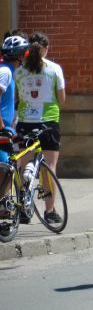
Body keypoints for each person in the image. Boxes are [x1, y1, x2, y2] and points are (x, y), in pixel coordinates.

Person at [14, 32, 66, 225]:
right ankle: (50, 211)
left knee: (23, 164)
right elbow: (61, 99)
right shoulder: (54, 69)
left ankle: (23, 208)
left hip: (25, 121)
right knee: (49, 168)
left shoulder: (19, 71)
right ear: (46, 48)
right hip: (48, 121)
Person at [0, 35, 28, 224]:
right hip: (1, 130)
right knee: (5, 170)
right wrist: (3, 127)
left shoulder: (8, 70)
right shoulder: (5, 72)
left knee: (8, 169)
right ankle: (3, 208)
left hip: (7, 127)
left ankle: (4, 208)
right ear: (20, 55)